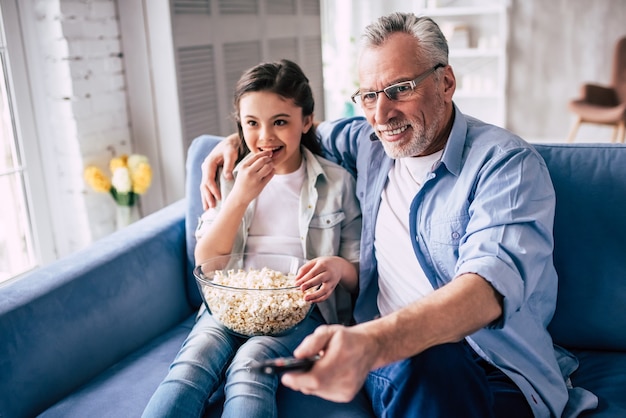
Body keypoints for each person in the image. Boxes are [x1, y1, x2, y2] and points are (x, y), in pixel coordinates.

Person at [201, 12, 598, 418]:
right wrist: (239, 140)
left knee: (434, 362)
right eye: (369, 95)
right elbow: (297, 131)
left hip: (491, 366)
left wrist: (374, 341)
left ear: (446, 82)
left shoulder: (505, 165)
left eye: (400, 89)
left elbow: (487, 287)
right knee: (424, 366)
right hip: (392, 366)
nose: (381, 114)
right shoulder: (368, 143)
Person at [142, 59, 361, 418]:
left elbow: (358, 271)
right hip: (229, 308)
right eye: (252, 123)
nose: (265, 137)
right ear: (240, 125)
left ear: (306, 121)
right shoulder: (229, 176)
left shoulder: (336, 183)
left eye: (280, 122)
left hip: (299, 312)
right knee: (190, 365)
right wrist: (241, 196)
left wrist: (337, 268)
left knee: (250, 366)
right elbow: (205, 262)